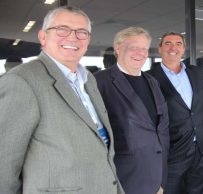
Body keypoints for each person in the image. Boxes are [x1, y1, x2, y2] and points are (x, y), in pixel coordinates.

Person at [0, 6, 124, 194]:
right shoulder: (21, 81)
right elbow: (4, 165)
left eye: (82, 32)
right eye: (62, 29)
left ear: (88, 41)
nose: (73, 37)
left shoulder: (88, 79)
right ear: (43, 37)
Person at [94, 27, 169, 194]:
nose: (140, 53)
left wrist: (162, 180)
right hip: (122, 179)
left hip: (156, 177)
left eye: (144, 49)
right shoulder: (99, 82)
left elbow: (161, 128)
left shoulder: (152, 81)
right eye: (134, 47)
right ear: (118, 49)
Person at [147, 32, 203, 194]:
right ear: (160, 49)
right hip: (172, 152)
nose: (173, 48)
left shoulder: (197, 72)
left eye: (178, 44)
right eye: (168, 43)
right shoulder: (149, 78)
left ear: (184, 49)